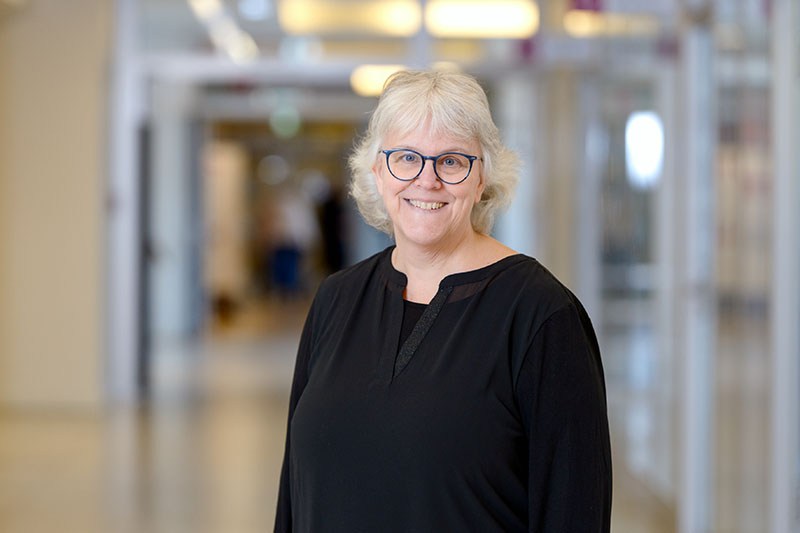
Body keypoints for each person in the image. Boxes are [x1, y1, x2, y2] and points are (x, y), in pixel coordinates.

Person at [275, 70, 612, 532]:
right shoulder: (337, 299)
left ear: (482, 179)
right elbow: (293, 498)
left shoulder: (542, 316)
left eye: (452, 162)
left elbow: (573, 512)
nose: (427, 180)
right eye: (406, 158)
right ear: (377, 171)